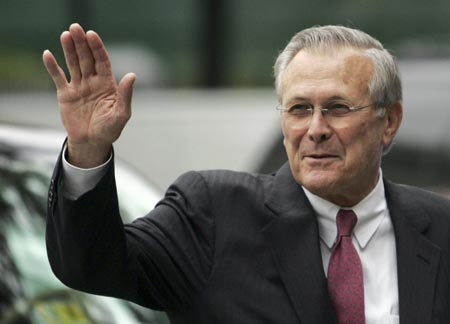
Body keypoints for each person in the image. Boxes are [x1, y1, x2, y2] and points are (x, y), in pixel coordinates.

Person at [43, 23, 450, 324]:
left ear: (390, 120)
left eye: (338, 108)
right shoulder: (213, 213)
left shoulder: (438, 227)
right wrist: (88, 149)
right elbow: (92, 264)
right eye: (299, 109)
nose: (316, 128)